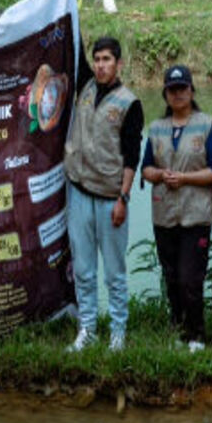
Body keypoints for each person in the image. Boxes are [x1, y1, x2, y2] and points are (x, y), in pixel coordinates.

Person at [64, 36, 144, 352]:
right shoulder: (84, 85)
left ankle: (118, 333)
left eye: (107, 59)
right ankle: (87, 330)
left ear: (119, 63)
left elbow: (132, 155)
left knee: (114, 272)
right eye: (97, 59)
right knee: (83, 269)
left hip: (111, 198)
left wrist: (123, 199)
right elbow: (75, 43)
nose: (100, 65)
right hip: (79, 192)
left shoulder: (129, 103)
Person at [140, 65, 212, 353]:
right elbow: (146, 168)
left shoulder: (208, 124)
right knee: (172, 274)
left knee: (191, 277)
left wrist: (184, 178)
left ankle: (197, 333)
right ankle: (177, 326)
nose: (177, 94)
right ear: (165, 93)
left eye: (182, 88)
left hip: (196, 214)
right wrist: (161, 175)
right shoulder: (156, 128)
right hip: (165, 214)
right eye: (172, 90)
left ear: (191, 90)